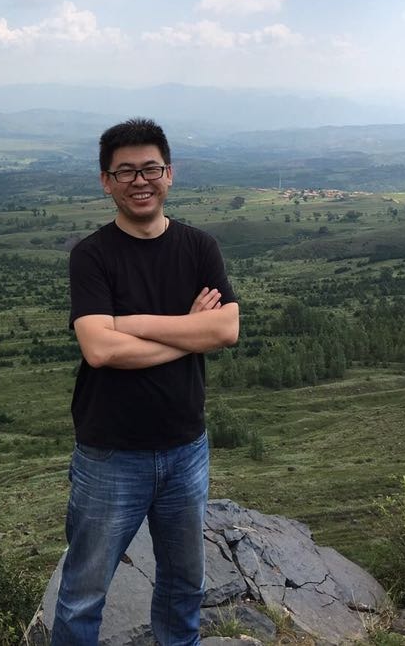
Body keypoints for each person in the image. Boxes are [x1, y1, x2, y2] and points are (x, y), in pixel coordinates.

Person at [50, 118, 239, 646]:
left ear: (169, 174)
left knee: (184, 585)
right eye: (126, 171)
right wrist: (189, 332)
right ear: (105, 181)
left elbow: (226, 330)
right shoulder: (92, 255)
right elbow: (101, 350)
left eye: (151, 169)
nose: (140, 181)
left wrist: (131, 324)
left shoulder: (199, 247)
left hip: (186, 448)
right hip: (110, 454)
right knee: (84, 593)